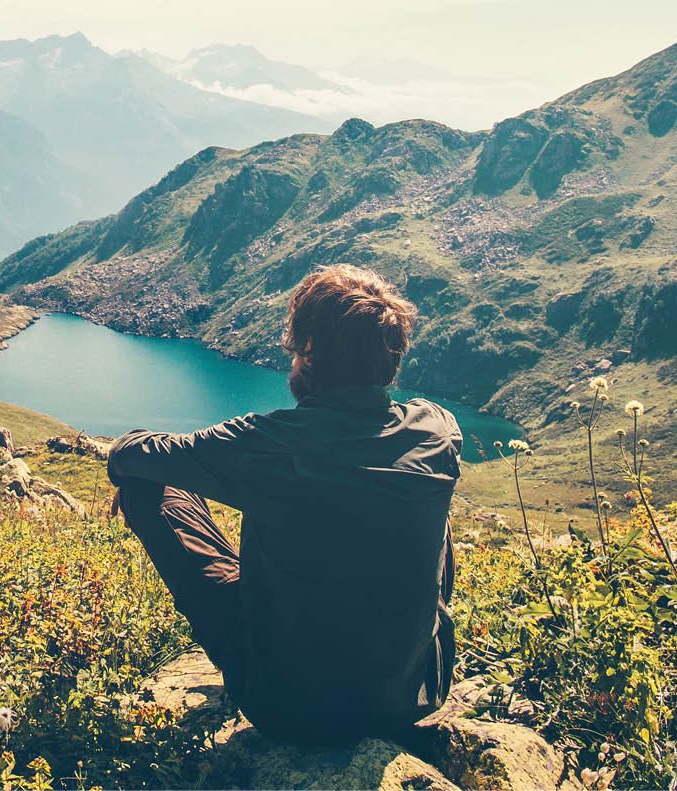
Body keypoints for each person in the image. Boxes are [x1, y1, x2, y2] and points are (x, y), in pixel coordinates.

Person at [107, 263, 462, 744]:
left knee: (149, 482)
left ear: (309, 351)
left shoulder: (269, 443)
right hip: (417, 693)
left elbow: (129, 452)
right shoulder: (438, 430)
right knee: (420, 502)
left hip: (289, 705)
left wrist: (135, 474)